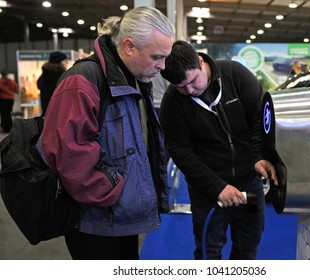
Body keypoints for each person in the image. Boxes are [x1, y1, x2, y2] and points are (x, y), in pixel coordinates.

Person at [36, 6, 175, 260]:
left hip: (122, 217)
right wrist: (116, 190)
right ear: (129, 46)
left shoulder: (132, 77)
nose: (162, 66)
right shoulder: (83, 80)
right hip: (96, 222)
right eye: (156, 56)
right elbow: (69, 156)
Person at [159, 41, 278, 260]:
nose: (190, 90)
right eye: (181, 87)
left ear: (201, 61)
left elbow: (260, 118)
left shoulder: (235, 75)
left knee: (248, 247)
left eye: (193, 80)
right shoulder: (172, 103)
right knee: (208, 251)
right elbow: (181, 152)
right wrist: (216, 187)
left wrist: (259, 156)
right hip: (207, 188)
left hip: (249, 180)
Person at [37, 51, 69, 116]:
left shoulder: (43, 76)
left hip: (46, 113)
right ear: (59, 62)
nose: (67, 63)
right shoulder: (61, 77)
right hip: (59, 114)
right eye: (65, 61)